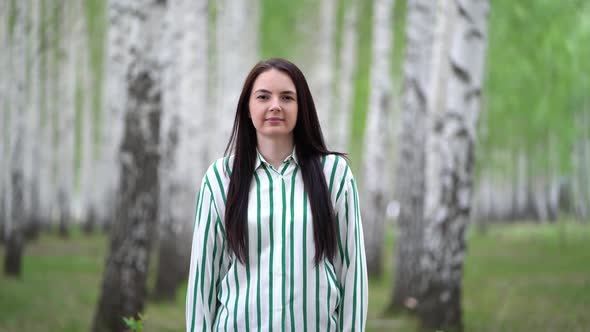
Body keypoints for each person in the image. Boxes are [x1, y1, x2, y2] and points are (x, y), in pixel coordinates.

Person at [186, 58, 368, 332]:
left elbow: (352, 274)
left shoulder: (335, 175)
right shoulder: (220, 178)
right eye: (263, 96)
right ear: (248, 108)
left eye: (287, 97)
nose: (275, 105)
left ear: (301, 108)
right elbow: (203, 282)